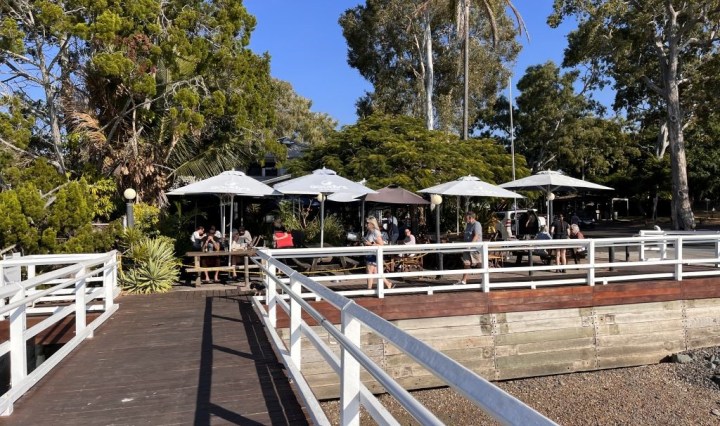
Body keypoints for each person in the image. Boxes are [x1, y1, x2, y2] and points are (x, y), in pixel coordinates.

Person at [364, 216, 393, 290]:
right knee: (376, 272)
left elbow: (381, 244)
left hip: (373, 254)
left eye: (367, 223)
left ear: (372, 223)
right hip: (369, 253)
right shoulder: (369, 232)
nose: (366, 224)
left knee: (369, 271)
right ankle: (388, 283)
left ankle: (369, 289)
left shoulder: (376, 232)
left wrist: (370, 244)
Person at [456, 211, 482, 285]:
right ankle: (464, 280)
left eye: (465, 217)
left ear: (470, 218)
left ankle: (485, 279)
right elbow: (467, 234)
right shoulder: (468, 225)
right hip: (467, 249)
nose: (464, 219)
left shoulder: (477, 224)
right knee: (466, 264)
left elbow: (476, 235)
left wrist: (470, 245)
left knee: (479, 264)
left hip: (475, 249)